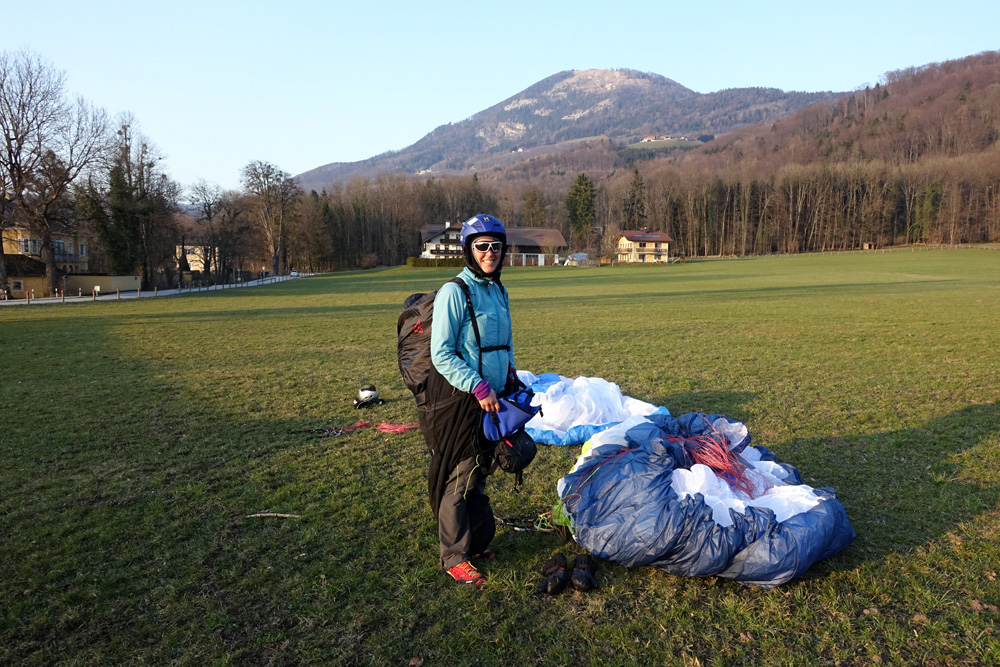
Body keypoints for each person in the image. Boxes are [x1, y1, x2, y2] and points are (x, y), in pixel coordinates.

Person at [420, 214, 517, 586]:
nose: (490, 253)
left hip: (493, 398)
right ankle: (453, 556)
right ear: (468, 250)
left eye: (496, 247)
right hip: (462, 399)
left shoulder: (498, 290)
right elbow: (441, 353)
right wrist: (478, 386)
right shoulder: (454, 292)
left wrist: (510, 374)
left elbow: (503, 343)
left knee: (480, 471)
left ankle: (474, 542)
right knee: (459, 477)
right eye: (482, 247)